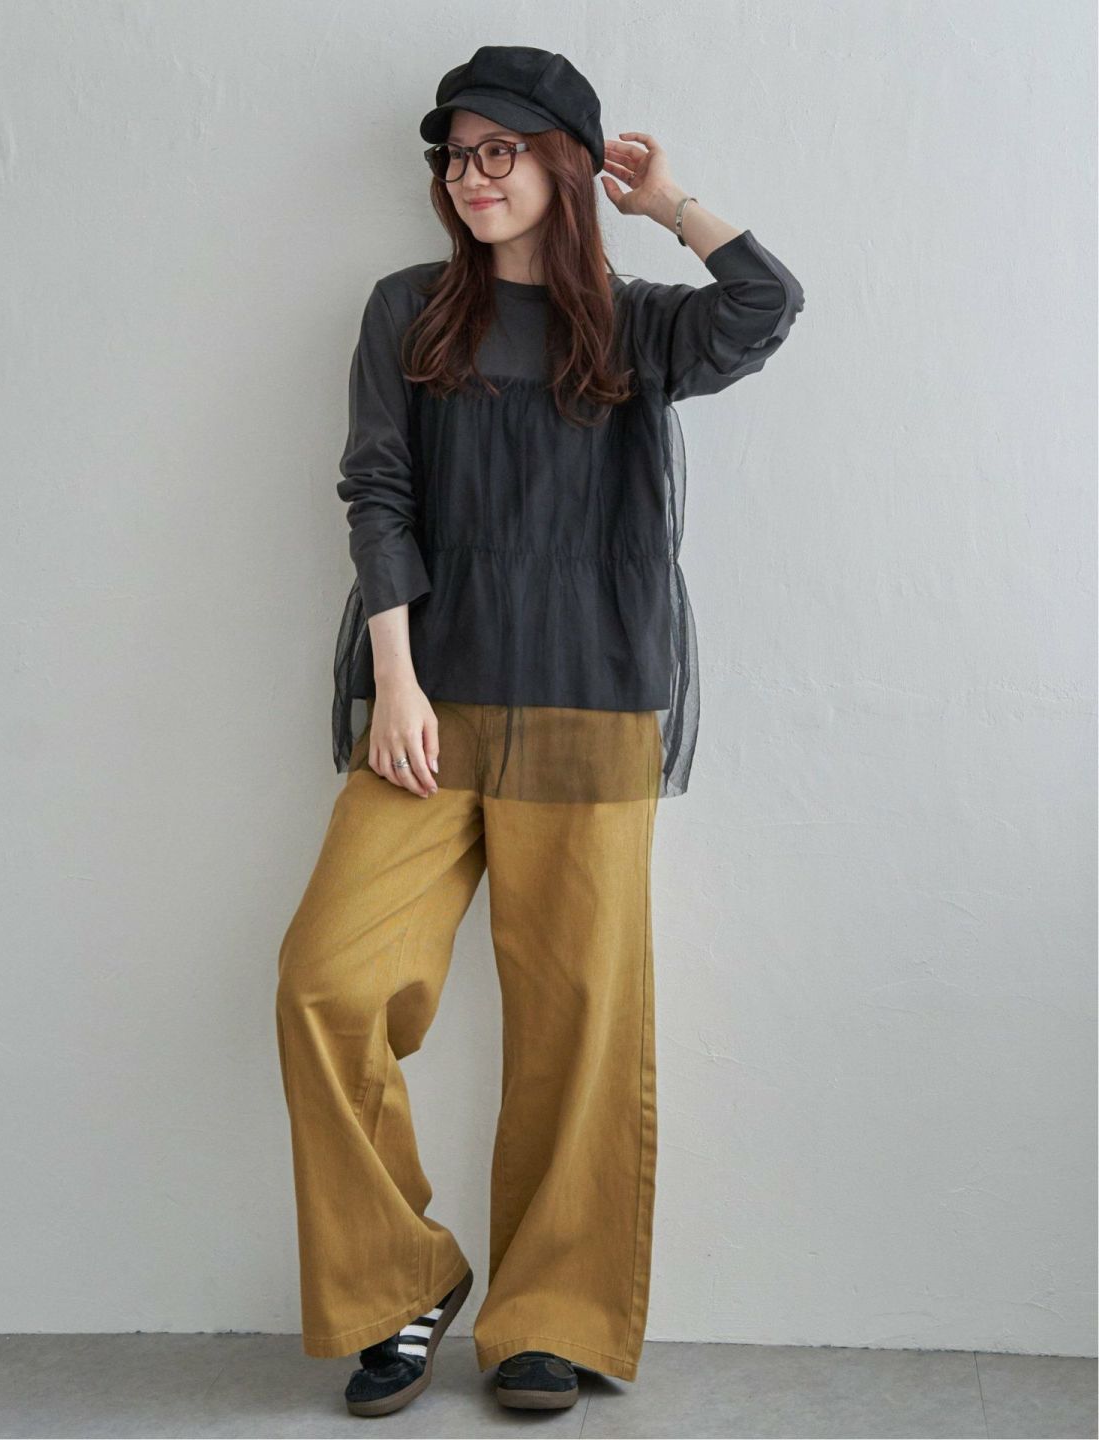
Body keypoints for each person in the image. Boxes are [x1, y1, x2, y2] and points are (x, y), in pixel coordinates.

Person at [276, 44, 805, 1417]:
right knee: (329, 985)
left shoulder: (634, 326)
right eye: (456, 156)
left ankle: (548, 1319)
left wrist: (668, 203)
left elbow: (766, 303)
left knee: (579, 1024)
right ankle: (403, 1282)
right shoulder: (407, 308)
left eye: (500, 149)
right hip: (429, 706)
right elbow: (378, 492)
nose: (472, 176)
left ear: (564, 163)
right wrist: (394, 679)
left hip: (590, 696)